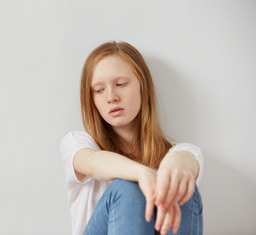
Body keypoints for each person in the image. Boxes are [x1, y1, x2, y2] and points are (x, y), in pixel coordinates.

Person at [60, 41, 203, 235]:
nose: (111, 97)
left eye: (120, 84)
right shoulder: (77, 142)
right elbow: (93, 163)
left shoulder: (181, 150)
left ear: (142, 86)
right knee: (127, 187)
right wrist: (142, 173)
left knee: (180, 184)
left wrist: (174, 164)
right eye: (99, 90)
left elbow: (186, 160)